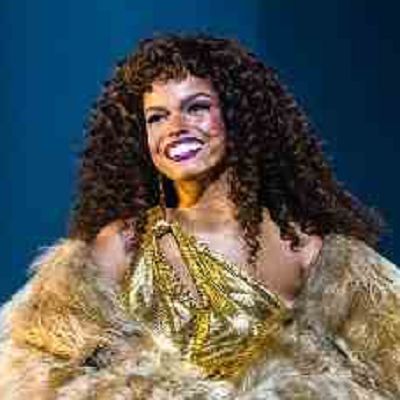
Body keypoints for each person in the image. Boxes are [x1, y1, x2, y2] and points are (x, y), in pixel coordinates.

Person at [0, 34, 399, 399]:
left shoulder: (305, 248)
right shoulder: (124, 243)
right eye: (157, 117)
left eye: (197, 108)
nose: (176, 127)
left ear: (238, 117)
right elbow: (34, 364)